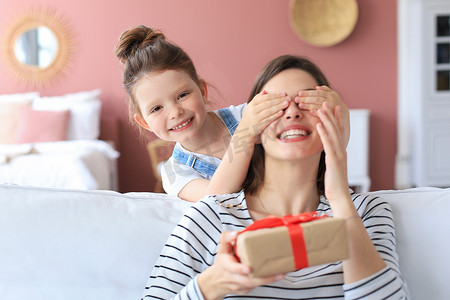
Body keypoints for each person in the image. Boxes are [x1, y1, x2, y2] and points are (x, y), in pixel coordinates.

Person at [141, 55, 409, 299]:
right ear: (254, 129)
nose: (292, 112)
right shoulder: (209, 216)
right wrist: (211, 284)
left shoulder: (366, 213)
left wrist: (340, 198)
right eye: (277, 105)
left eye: (307, 102)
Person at [115, 25, 349, 202]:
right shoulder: (174, 173)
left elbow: (319, 140)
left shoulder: (246, 114)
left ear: (202, 91)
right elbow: (216, 197)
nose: (175, 112)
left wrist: (336, 111)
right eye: (157, 108)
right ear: (144, 121)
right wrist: (246, 134)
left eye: (182, 95)